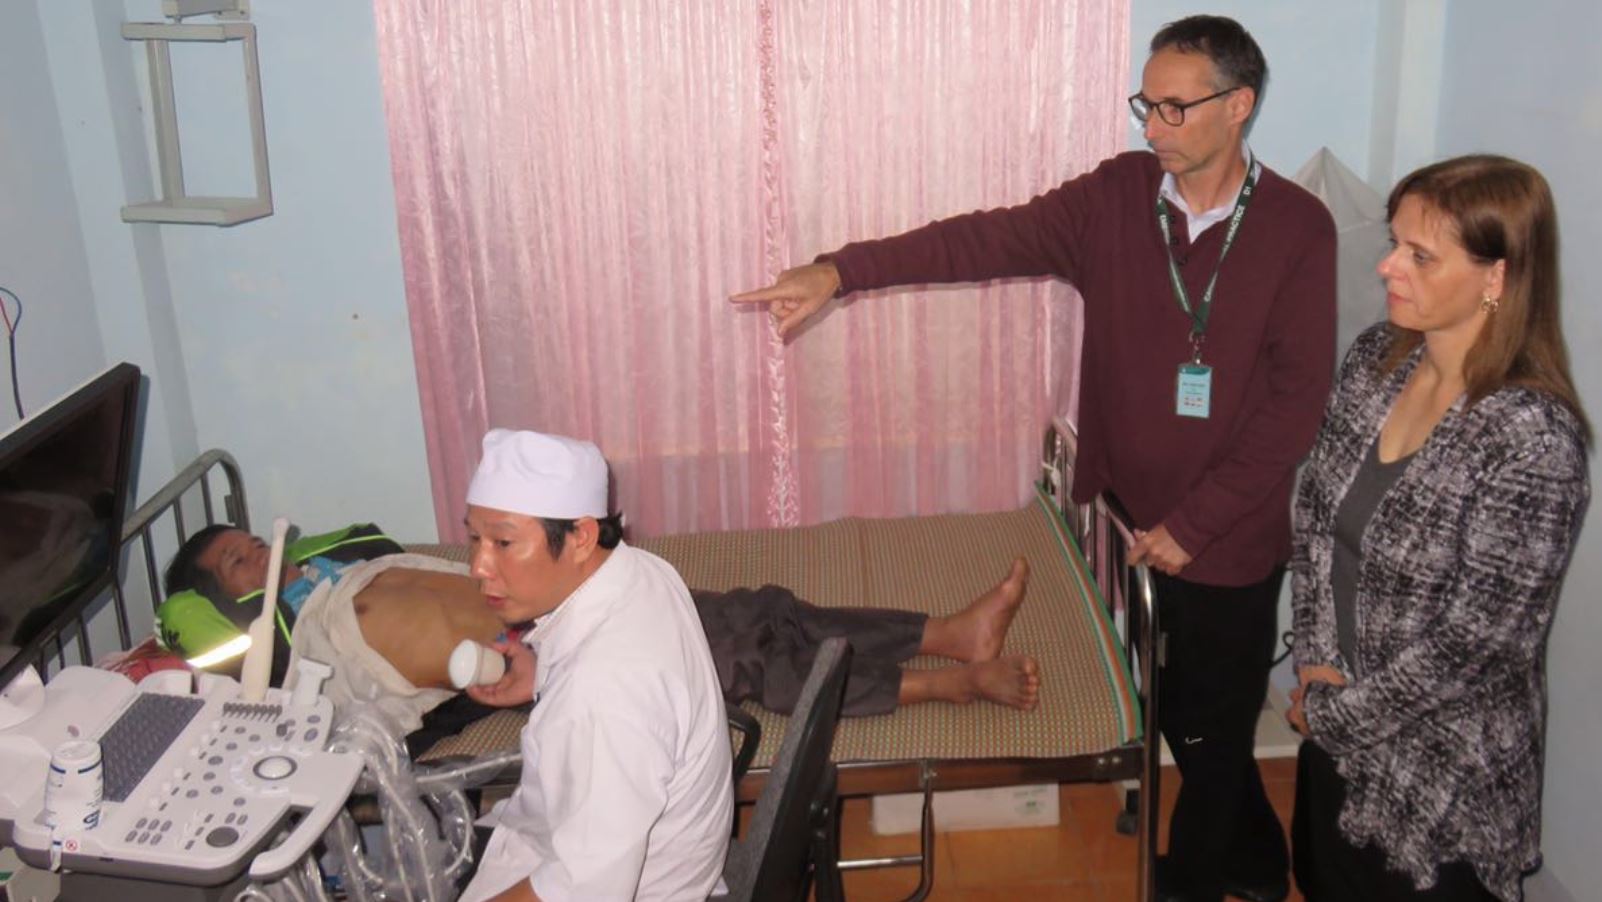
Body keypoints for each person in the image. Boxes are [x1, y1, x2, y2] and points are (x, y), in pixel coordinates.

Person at [732, 15, 1334, 902]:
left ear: (1238, 106)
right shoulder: (1115, 199)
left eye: (1174, 108)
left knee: (1206, 736)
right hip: (1127, 519)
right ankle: (1253, 859)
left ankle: (1198, 880)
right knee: (1197, 723)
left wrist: (1194, 527)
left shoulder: (1297, 228)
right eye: (1146, 104)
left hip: (1228, 540)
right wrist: (841, 270)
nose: (1152, 126)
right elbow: (982, 239)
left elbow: (1295, 406)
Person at [1287, 155, 1590, 902]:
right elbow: (1314, 525)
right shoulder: (1374, 362)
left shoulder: (1531, 440)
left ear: (1498, 276)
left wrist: (1334, 714)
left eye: (1420, 255)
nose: (1387, 265)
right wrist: (1318, 660)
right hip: (1335, 725)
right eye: (1395, 242)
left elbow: (1478, 648)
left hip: (1444, 776)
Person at [160, 519, 1041, 721]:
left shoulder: (359, 567)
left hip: (574, 605)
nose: (264, 553)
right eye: (240, 560)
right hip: (554, 649)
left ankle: (946, 630)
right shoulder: (313, 641)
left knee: (762, 608)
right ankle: (953, 682)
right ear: (224, 599)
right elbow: (487, 676)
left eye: (253, 538)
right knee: (751, 663)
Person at [456, 428, 730, 901]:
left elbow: (583, 890)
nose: (479, 566)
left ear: (581, 536)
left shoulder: (603, 693)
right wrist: (542, 672)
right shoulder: (640, 570)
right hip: (614, 849)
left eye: (503, 543)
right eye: (475, 538)